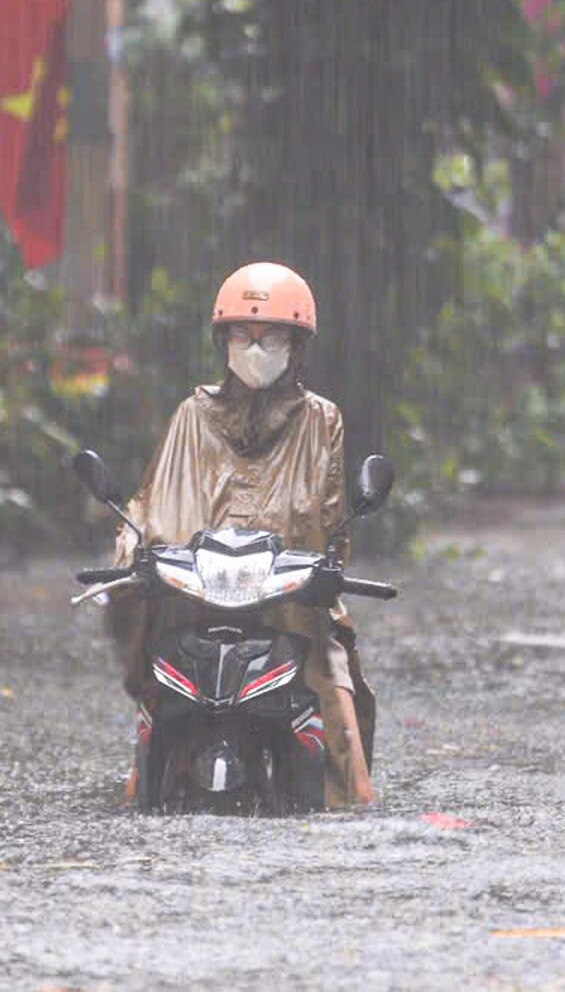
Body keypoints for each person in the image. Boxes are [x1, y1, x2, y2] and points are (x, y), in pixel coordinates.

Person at [105, 262, 377, 807]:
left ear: (296, 346)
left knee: (342, 741)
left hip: (289, 606)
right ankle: (145, 786)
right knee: (153, 717)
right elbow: (149, 502)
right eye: (242, 334)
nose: (255, 348)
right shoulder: (190, 415)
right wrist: (132, 554)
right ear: (223, 339)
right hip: (196, 602)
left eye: (271, 336)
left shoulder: (322, 421)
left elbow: (329, 522)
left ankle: (348, 804)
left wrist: (324, 572)